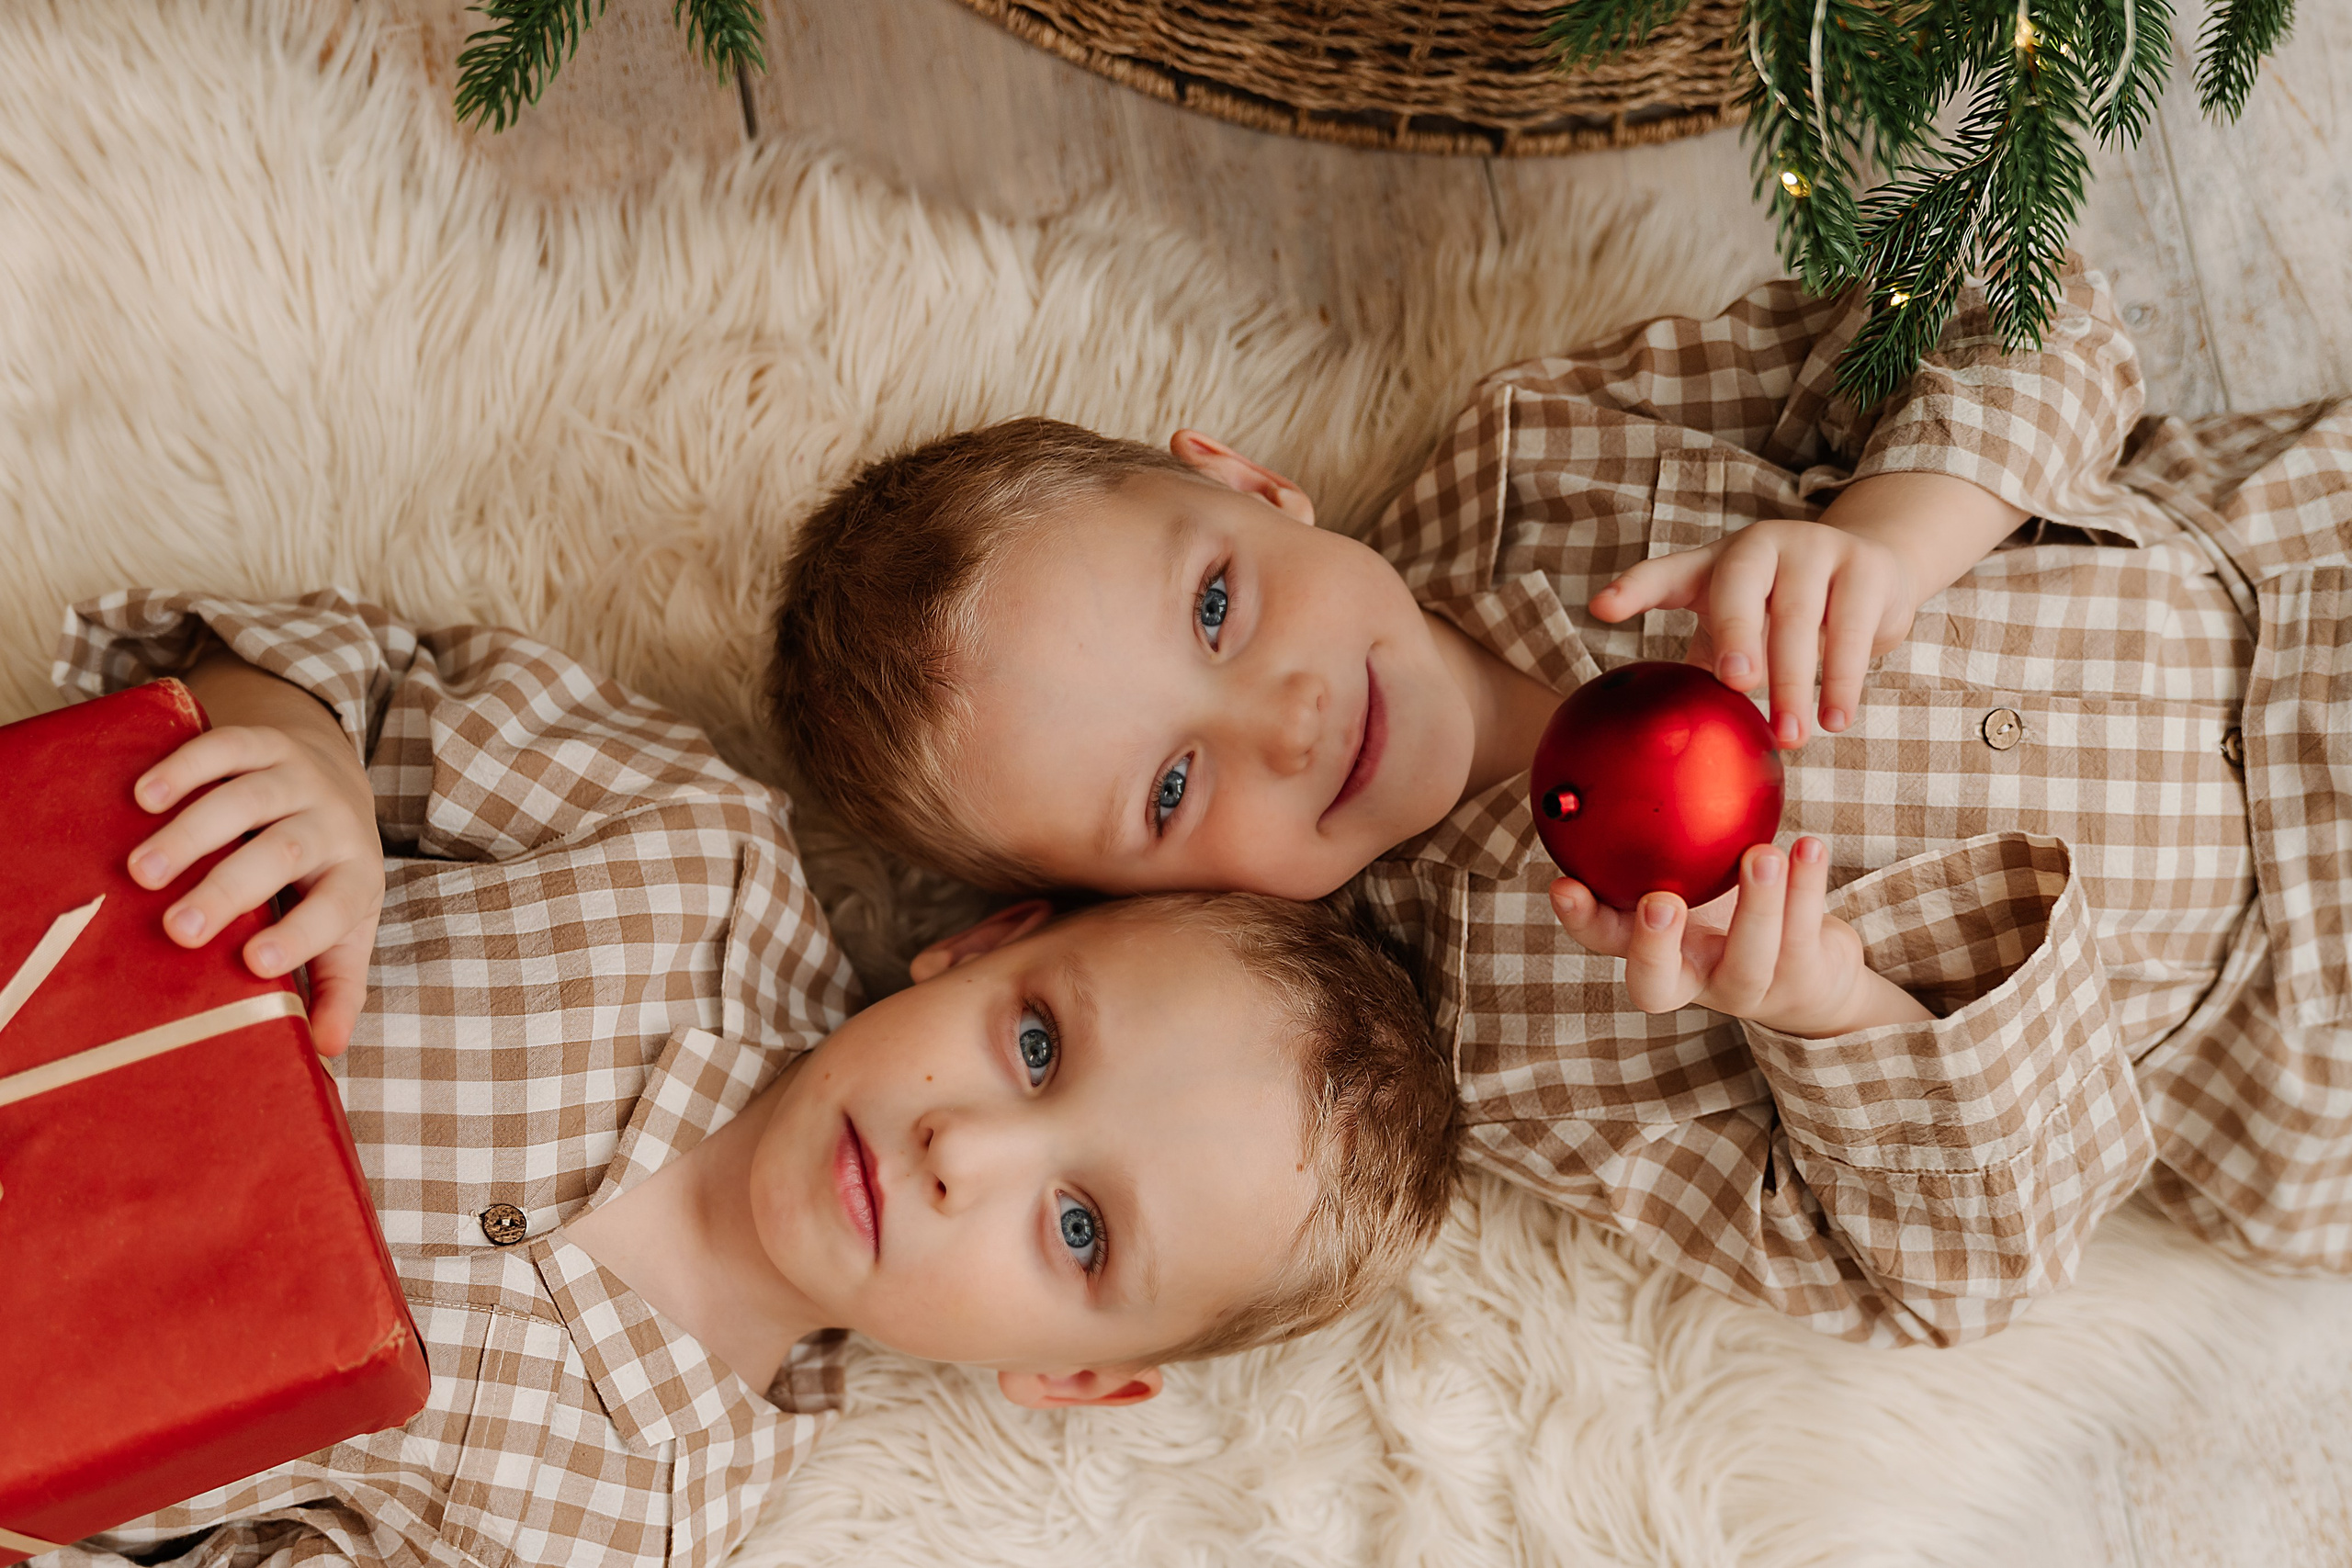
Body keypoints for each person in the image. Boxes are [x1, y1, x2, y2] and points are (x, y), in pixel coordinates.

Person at [768, 261, 2352, 1347]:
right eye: (1174, 788)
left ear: (1246, 485)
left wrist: (1894, 530)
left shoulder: (1541, 454)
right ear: (1149, 906)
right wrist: (1835, 1008)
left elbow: (2007, 274)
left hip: (2288, 582)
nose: (1290, 714)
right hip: (2291, 1022)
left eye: (1216, 611)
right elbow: (1944, 1279)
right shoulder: (1507, 1047)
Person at [45, 589, 1456, 1568]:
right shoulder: (687, 854)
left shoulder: (624, 1526)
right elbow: (342, 670)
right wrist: (298, 755)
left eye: (1078, 1229)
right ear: (983, 943)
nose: (964, 1149)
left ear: (1073, 1375)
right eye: (1035, 1046)